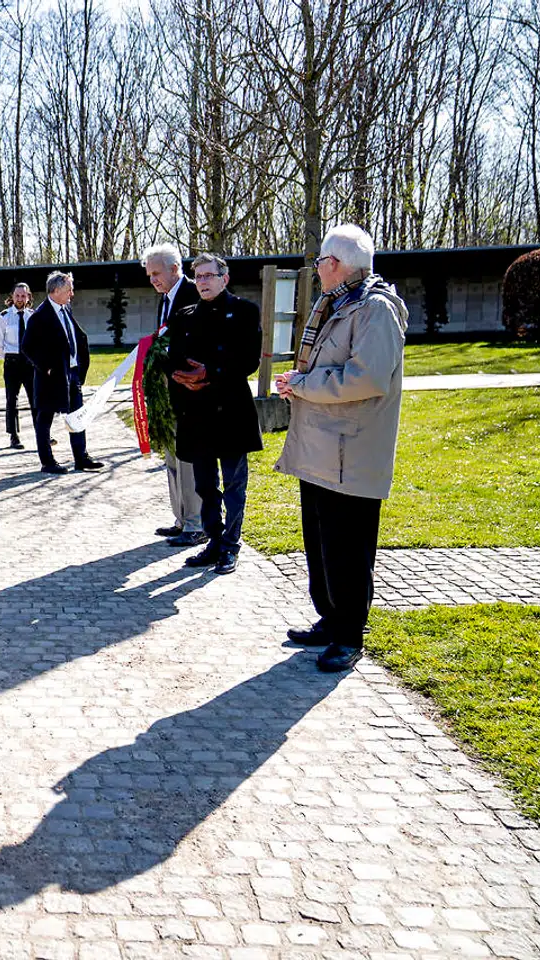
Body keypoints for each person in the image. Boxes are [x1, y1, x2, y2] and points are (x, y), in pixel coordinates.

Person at [274, 224, 408, 673]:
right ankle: (330, 620)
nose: (316, 270)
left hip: (351, 452)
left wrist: (304, 384)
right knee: (321, 542)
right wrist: (301, 386)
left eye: (320, 262)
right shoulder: (338, 301)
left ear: (335, 264)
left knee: (347, 548)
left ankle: (349, 635)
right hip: (321, 448)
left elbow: (367, 379)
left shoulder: (375, 309)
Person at [168, 253, 263, 576]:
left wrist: (210, 373)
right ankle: (213, 540)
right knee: (205, 485)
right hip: (196, 412)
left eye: (209, 275)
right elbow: (173, 359)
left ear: (225, 278)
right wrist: (183, 379)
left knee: (235, 484)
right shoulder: (184, 315)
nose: (203, 282)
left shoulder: (245, 312)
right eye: (199, 276)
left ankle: (230, 546)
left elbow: (249, 360)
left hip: (231, 411)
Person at [141, 243, 205, 546]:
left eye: (156, 273)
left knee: (189, 459)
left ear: (175, 269)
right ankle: (181, 519)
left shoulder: (194, 294)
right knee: (171, 455)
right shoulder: (164, 299)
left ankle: (196, 524)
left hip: (189, 392)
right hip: (166, 393)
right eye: (149, 274)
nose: (152, 278)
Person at [22, 270, 104, 474]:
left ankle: (81, 457)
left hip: (72, 374)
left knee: (77, 416)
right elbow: (27, 347)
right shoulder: (40, 316)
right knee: (45, 420)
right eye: (69, 289)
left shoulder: (65, 309)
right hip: (51, 378)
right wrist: (47, 368)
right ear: (56, 290)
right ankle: (47, 462)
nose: (72, 294)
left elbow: (76, 337)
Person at [0, 282, 35, 450]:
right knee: (12, 400)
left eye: (23, 296)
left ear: (28, 297)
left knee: (36, 399)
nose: (20, 299)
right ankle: (14, 436)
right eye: (17, 295)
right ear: (12, 297)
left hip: (30, 363)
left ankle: (42, 433)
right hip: (12, 363)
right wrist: (9, 357)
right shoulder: (3, 317)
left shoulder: (33, 317)